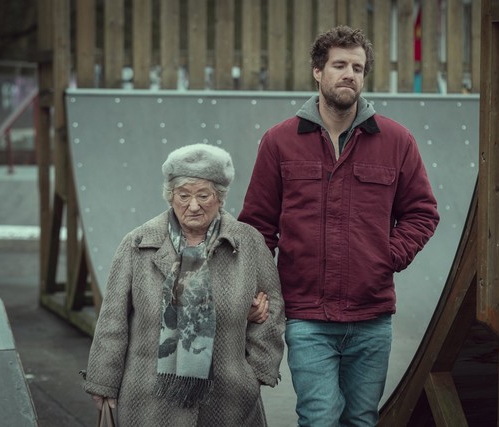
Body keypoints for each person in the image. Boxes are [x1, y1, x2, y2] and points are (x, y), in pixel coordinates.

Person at [238, 25, 440, 426]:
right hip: (307, 315)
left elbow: (422, 212)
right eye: (340, 65)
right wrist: (254, 288)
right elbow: (257, 226)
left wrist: (387, 256)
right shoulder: (280, 141)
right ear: (318, 71)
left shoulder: (396, 141)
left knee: (362, 420)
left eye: (358, 67)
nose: (350, 74)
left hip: (372, 316)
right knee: (319, 418)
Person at [82, 143, 285, 426]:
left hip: (229, 400)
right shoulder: (138, 244)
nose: (193, 205)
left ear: (220, 197)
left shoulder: (247, 243)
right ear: (170, 196)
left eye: (203, 195)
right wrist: (103, 382)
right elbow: (113, 320)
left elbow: (272, 308)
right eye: (183, 195)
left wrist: (256, 374)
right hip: (148, 398)